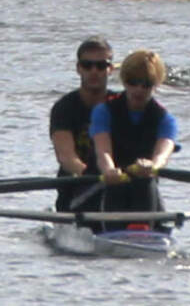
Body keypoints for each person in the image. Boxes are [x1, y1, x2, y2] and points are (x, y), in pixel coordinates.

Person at [90, 49, 180, 231]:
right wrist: (109, 170)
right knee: (118, 183)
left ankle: (143, 231)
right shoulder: (104, 112)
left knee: (145, 180)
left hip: (145, 186)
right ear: (124, 81)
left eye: (146, 84)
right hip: (111, 185)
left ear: (156, 85)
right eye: (132, 83)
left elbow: (163, 154)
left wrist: (153, 165)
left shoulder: (165, 119)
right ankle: (116, 232)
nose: (138, 90)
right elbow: (103, 151)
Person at [49, 36, 118, 211]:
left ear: (110, 69)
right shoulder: (64, 107)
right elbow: (67, 158)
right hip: (76, 187)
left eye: (101, 66)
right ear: (78, 69)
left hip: (116, 185)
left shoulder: (120, 105)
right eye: (87, 65)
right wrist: (95, 175)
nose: (94, 71)